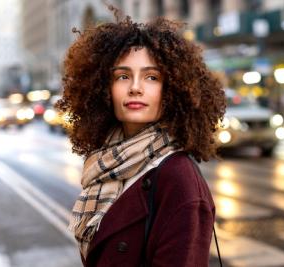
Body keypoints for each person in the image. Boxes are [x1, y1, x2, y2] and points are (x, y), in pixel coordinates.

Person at [57, 5, 226, 267]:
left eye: (151, 77)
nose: (135, 88)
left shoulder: (178, 179)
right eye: (123, 76)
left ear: (172, 88)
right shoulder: (104, 165)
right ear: (103, 88)